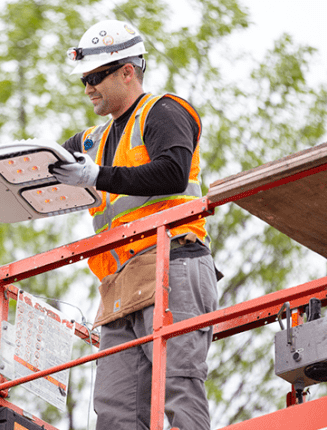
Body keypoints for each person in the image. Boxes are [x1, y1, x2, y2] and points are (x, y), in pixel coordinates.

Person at [49, 19, 219, 430]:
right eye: (83, 79)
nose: (87, 87)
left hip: (171, 261)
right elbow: (43, 162)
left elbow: (172, 173)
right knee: (114, 410)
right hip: (120, 281)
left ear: (128, 71)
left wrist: (95, 177)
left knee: (178, 384)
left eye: (95, 77)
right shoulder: (93, 141)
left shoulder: (163, 111)